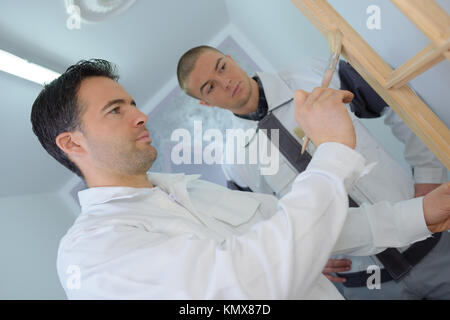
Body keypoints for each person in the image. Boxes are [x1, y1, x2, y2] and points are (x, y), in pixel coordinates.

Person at [30, 59, 450, 299]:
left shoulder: (194, 191)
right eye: (115, 110)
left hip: (429, 247)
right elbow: (248, 284)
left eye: (133, 103)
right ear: (72, 143)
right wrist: (335, 153)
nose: (140, 115)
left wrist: (419, 214)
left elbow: (291, 224)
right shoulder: (92, 254)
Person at [177, 46, 450, 299]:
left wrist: (429, 176)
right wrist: (302, 259)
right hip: (365, 285)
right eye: (210, 87)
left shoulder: (313, 75)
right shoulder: (235, 163)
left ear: (231, 59)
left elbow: (398, 104)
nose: (225, 82)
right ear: (206, 103)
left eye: (221, 67)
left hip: (430, 237)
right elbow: (263, 231)